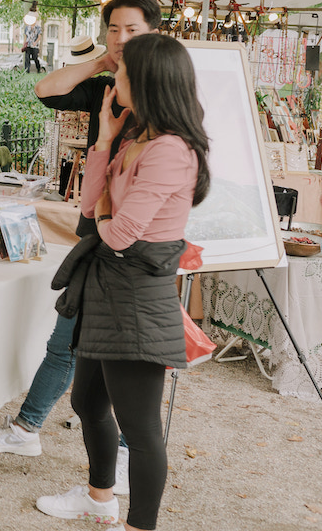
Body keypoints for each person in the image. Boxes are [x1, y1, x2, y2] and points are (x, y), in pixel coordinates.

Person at [0, 0, 161, 494]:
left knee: (104, 352)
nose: (121, 39)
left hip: (130, 245)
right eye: (113, 29)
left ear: (154, 33)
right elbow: (46, 90)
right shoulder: (107, 88)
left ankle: (98, 454)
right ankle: (35, 431)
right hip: (97, 236)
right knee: (72, 343)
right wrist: (100, 63)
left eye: (132, 30)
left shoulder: (164, 97)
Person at [37, 32, 209, 531]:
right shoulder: (137, 139)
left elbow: (120, 234)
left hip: (137, 292)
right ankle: (99, 499)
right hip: (109, 285)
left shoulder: (171, 151)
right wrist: (106, 140)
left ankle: (141, 525)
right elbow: (91, 210)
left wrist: (107, 217)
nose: (117, 78)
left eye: (125, 72)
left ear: (150, 81)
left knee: (141, 426)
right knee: (87, 401)